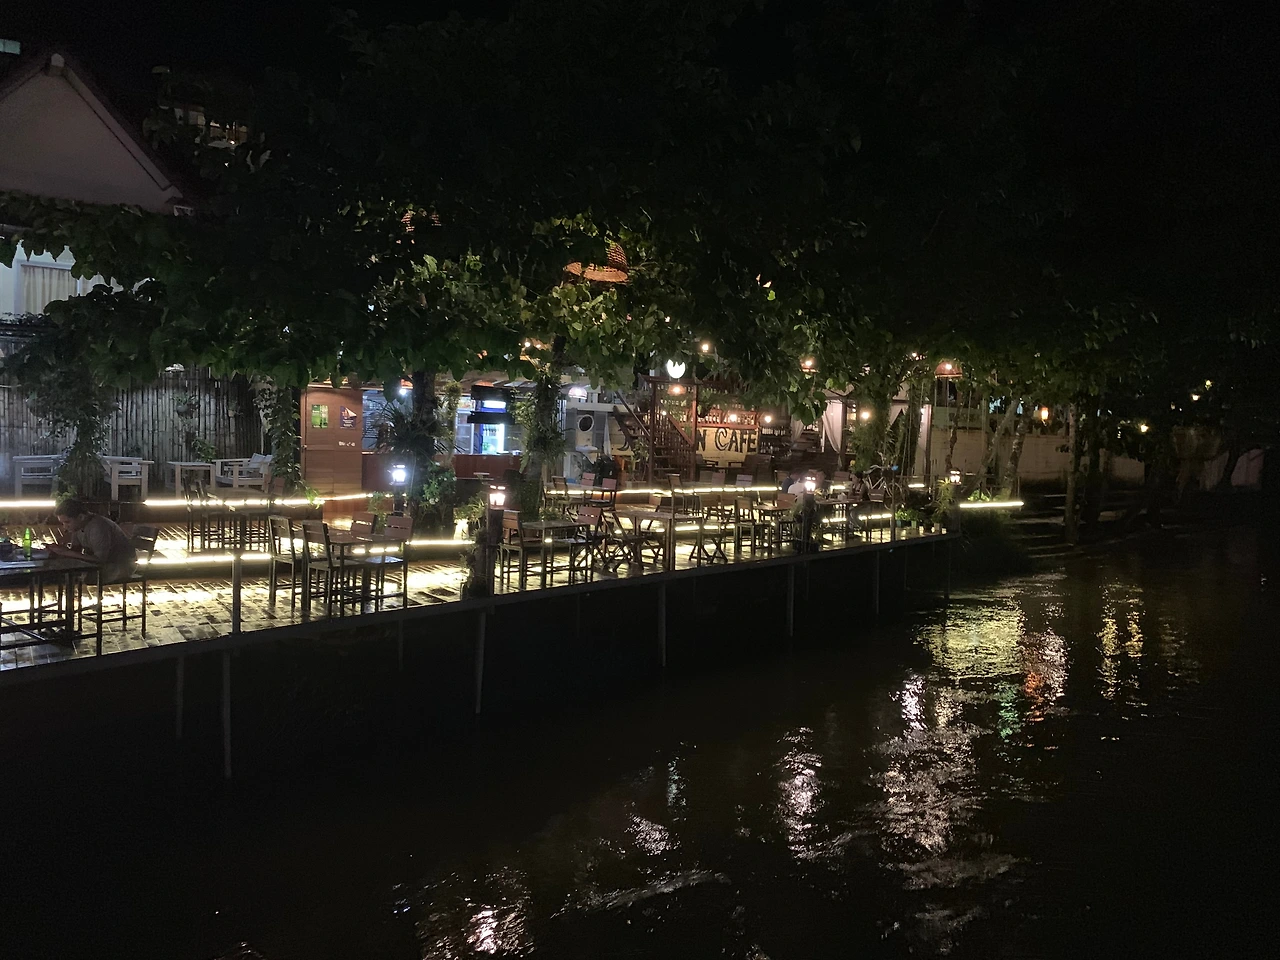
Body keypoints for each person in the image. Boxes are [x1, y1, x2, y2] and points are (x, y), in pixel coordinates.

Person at [48, 498, 138, 584]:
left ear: (81, 517)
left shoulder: (98, 527)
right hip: (104, 564)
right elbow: (75, 551)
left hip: (120, 566)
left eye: (67, 522)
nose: (65, 527)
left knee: (66, 577)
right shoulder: (78, 526)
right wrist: (59, 551)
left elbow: (100, 560)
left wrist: (66, 552)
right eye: (63, 523)